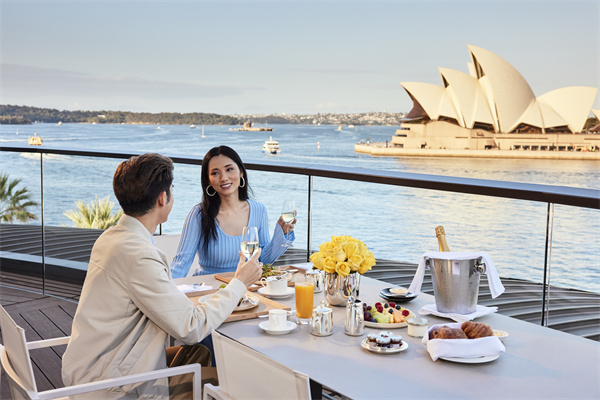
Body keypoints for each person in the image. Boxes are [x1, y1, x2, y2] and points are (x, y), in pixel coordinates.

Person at [62, 153, 262, 399]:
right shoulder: (140, 255)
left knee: (200, 354)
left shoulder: (111, 238)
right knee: (240, 382)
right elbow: (191, 327)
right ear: (162, 198)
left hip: (94, 365)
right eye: (172, 190)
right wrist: (239, 283)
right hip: (115, 385)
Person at [170, 145, 296, 278]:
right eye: (215, 173)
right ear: (208, 180)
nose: (224, 178)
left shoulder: (259, 210)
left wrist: (281, 233)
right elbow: (181, 264)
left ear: (241, 172)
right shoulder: (199, 215)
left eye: (229, 169)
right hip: (210, 292)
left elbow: (262, 261)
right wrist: (161, 293)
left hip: (247, 289)